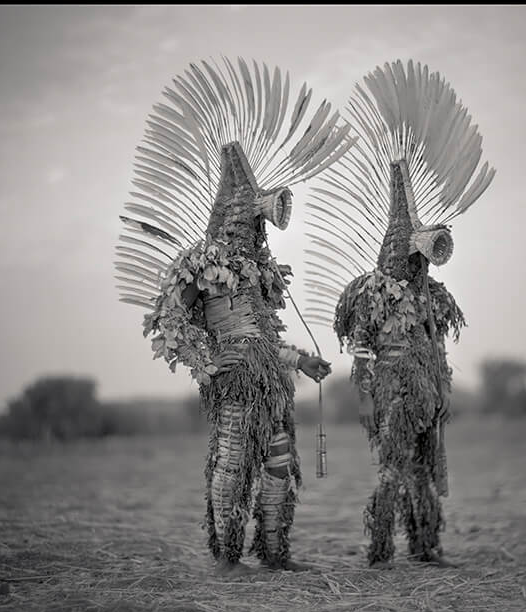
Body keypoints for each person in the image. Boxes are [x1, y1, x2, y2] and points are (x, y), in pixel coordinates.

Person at [115, 59, 349, 574]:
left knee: (278, 466)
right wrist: (205, 363)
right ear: (234, 216)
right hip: (235, 383)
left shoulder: (259, 275)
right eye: (254, 219)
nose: (260, 231)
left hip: (270, 384)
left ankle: (273, 552)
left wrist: (302, 362)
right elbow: (170, 320)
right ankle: (225, 556)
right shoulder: (202, 267)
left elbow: (263, 341)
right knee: (230, 463)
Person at [302, 59, 496, 568]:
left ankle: (426, 543)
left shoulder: (432, 295)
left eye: (422, 258)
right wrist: (367, 386)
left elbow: (439, 341)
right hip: (394, 390)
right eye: (413, 256)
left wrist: (437, 380)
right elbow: (360, 346)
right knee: (393, 466)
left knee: (424, 467)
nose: (418, 264)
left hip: (429, 389)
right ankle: (381, 546)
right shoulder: (369, 292)